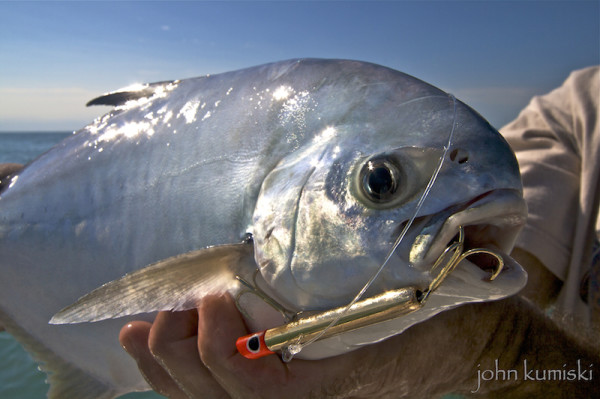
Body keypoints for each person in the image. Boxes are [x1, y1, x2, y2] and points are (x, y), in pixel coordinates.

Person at [119, 67, 599, 398]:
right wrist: (477, 339)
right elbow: (509, 272)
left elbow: (502, 313)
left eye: (380, 184)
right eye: (381, 183)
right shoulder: (577, 109)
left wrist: (500, 346)